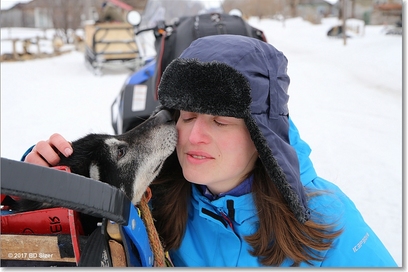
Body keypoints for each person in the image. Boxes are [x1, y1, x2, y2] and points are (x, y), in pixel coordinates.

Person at [23, 35, 398, 267]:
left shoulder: (328, 224)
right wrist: (43, 174)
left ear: (261, 136)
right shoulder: (154, 200)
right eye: (186, 116)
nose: (194, 136)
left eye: (220, 121)